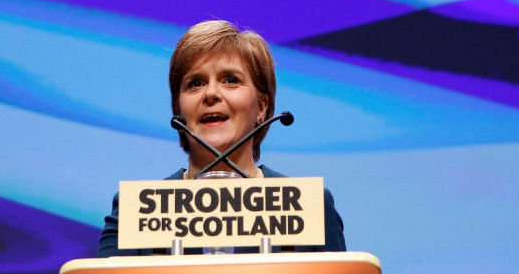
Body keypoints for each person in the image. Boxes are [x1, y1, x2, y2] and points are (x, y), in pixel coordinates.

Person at [97, 19, 346, 257]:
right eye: (195, 83)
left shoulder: (309, 208)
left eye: (230, 80)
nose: (211, 94)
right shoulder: (136, 214)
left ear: (261, 107)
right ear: (178, 110)